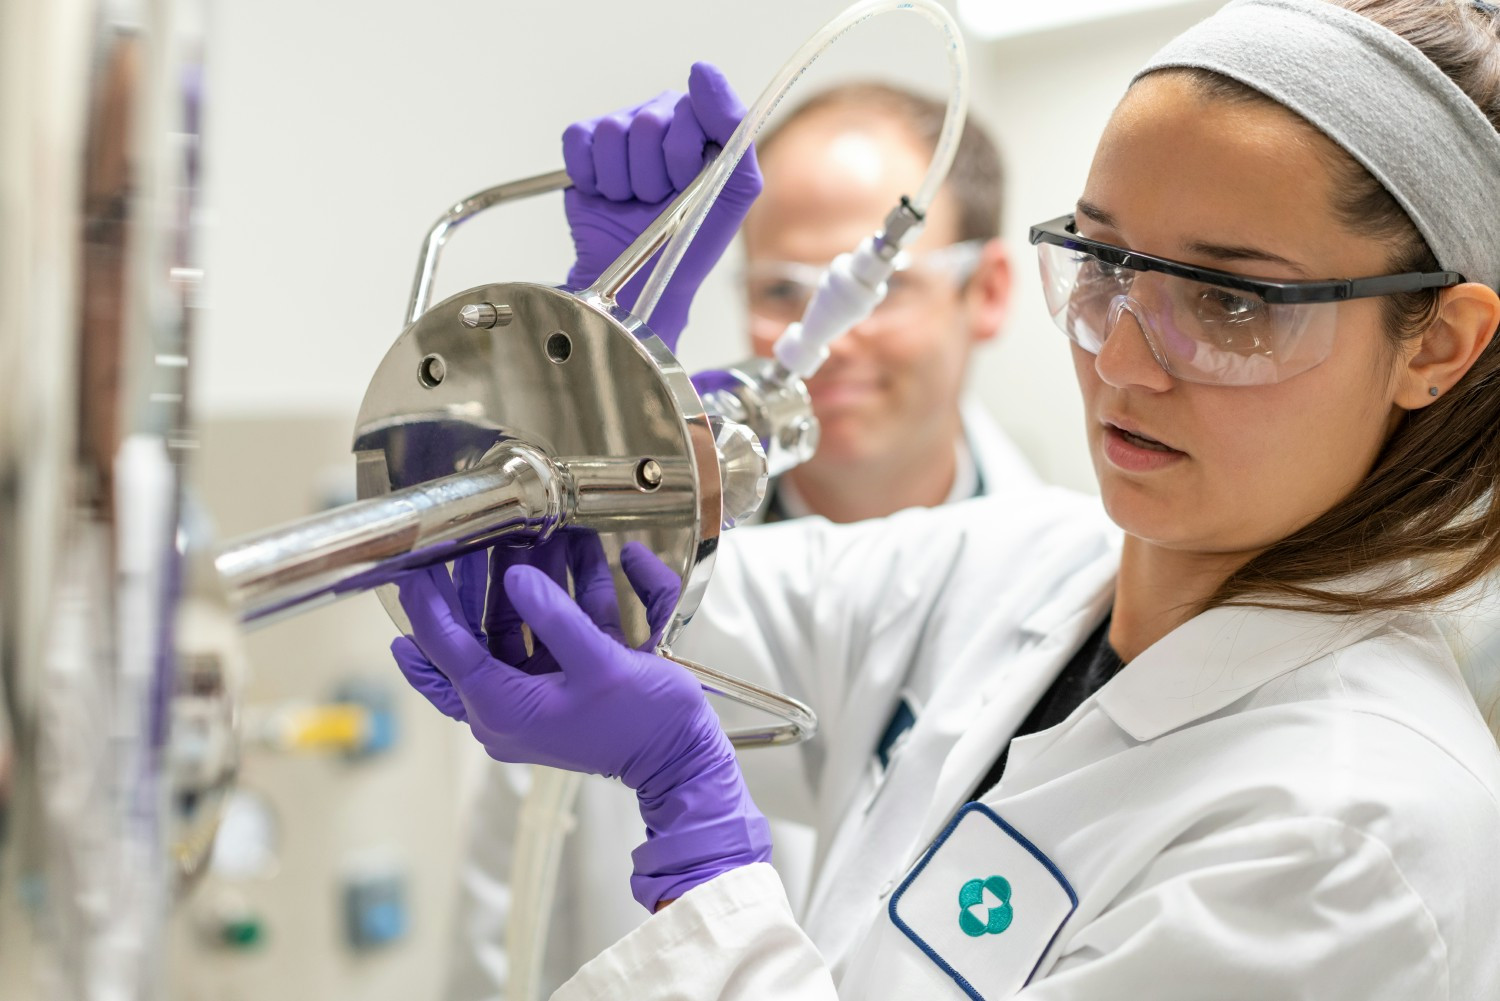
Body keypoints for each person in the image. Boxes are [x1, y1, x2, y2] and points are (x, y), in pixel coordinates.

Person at [395, 0, 1500, 997]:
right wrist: (602, 359)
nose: (1121, 360)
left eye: (1230, 301)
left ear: (1436, 344)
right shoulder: (1011, 569)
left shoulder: (1361, 831)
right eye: (1107, 262)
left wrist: (696, 824)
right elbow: (595, 603)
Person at [444, 79, 1037, 999]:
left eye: (878, 283)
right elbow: (500, 939)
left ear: (989, 289)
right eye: (778, 289)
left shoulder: (1054, 607)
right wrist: (590, 382)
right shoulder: (618, 582)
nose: (828, 340)